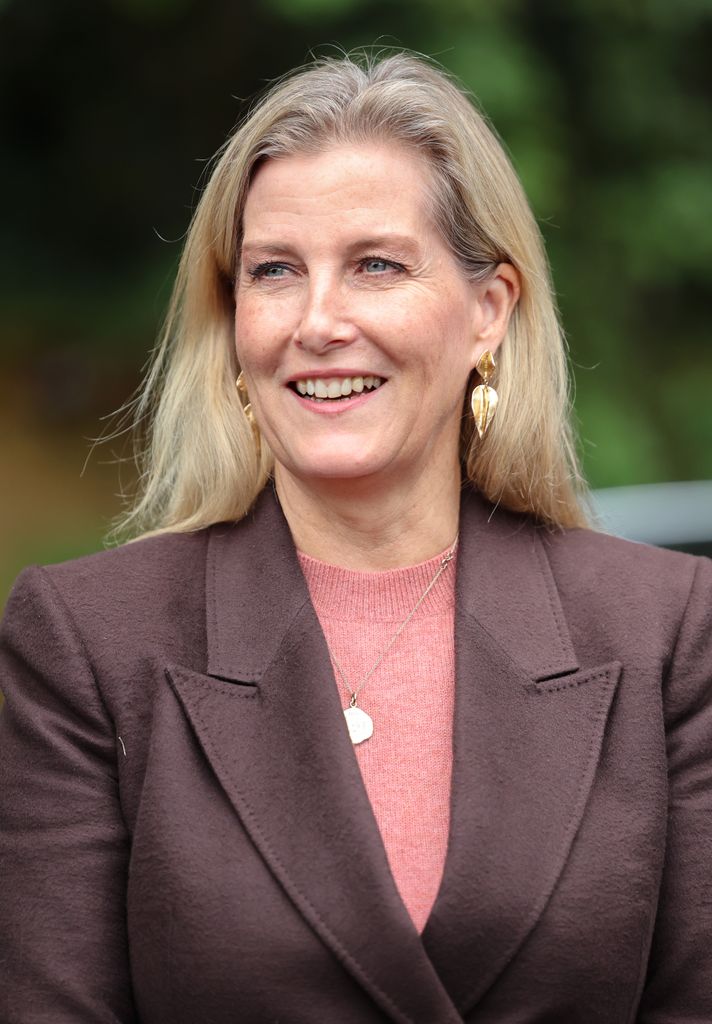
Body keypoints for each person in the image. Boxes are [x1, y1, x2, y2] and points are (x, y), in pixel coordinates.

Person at [0, 51, 710, 1024]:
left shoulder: (668, 630)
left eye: (375, 264)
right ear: (233, 316)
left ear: (487, 311)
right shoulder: (85, 641)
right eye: (275, 271)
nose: (319, 321)